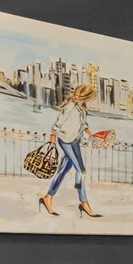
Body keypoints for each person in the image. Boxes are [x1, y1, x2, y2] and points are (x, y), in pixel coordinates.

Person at [40, 83, 102, 218]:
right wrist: (52, 139)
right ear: (86, 95)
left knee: (63, 170)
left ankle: (48, 196)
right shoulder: (70, 106)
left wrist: (91, 134)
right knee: (81, 171)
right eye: (91, 97)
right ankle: (84, 202)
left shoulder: (82, 108)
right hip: (65, 140)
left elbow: (83, 124)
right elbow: (58, 122)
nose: (91, 100)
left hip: (75, 140)